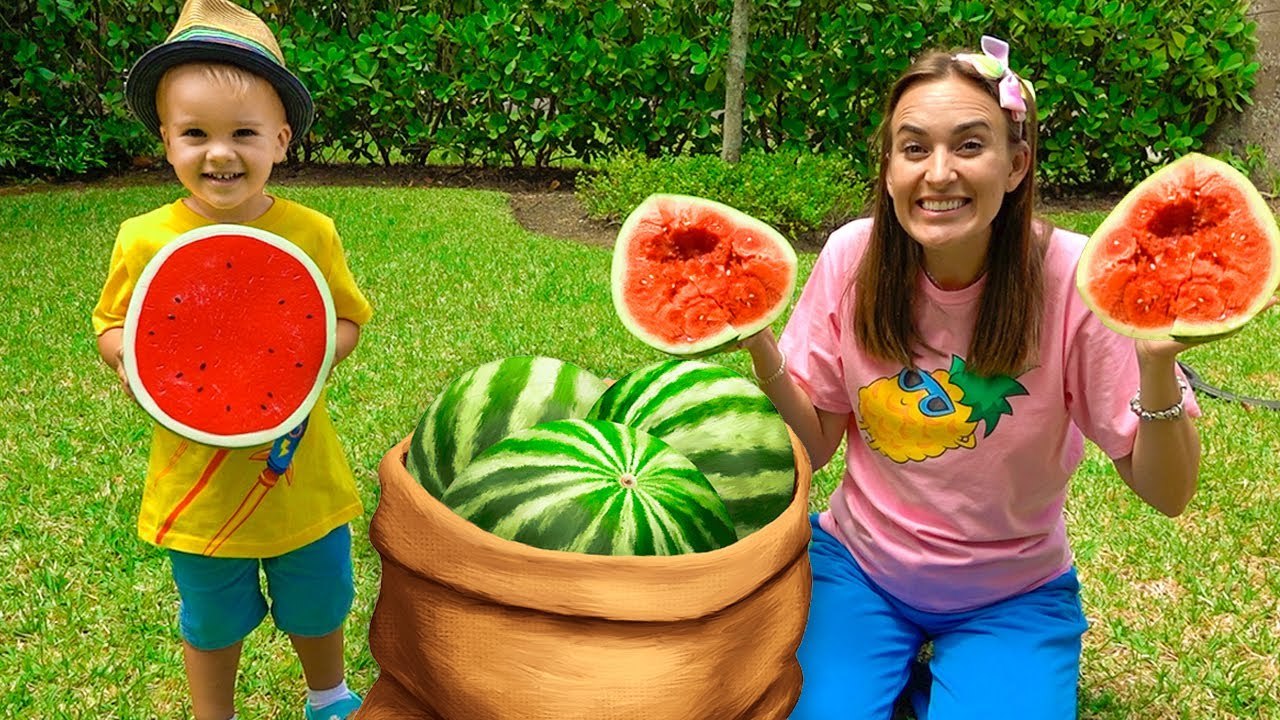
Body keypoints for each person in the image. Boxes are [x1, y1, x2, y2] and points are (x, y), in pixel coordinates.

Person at [739, 36, 1238, 718]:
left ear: (1016, 164)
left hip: (1014, 595)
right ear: (889, 168)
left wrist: (1155, 364)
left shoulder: (1073, 278)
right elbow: (817, 446)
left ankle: (959, 675)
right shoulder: (853, 256)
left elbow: (1168, 493)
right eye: (914, 148)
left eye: (970, 145)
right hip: (859, 569)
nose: (939, 173)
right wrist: (760, 342)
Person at [91, 1, 370, 718]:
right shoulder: (142, 238)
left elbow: (344, 319)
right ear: (166, 142)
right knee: (210, 617)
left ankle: (328, 695)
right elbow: (114, 325)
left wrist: (299, 365)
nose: (220, 153)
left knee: (320, 597)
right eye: (195, 133)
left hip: (301, 473)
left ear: (281, 139)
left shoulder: (312, 232)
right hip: (198, 483)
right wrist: (132, 367)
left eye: (243, 132)